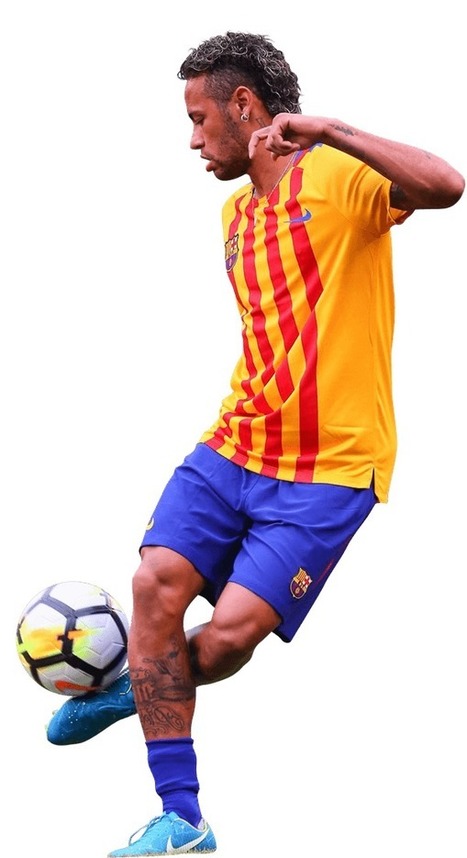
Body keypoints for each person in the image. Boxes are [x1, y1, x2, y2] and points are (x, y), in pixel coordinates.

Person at [46, 31, 464, 857]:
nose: (192, 139)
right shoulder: (235, 216)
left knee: (230, 637)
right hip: (235, 446)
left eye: (199, 118)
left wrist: (330, 128)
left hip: (331, 468)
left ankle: (141, 685)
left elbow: (446, 185)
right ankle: (182, 821)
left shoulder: (340, 177)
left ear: (244, 106)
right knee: (154, 584)